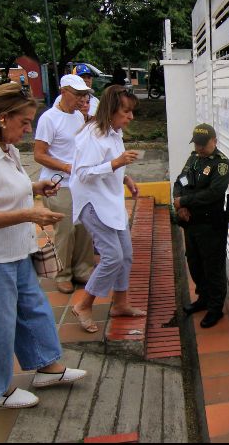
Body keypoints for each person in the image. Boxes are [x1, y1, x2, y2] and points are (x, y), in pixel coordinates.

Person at [0, 83, 87, 409]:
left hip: (15, 250)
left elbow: (4, 189)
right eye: (24, 122)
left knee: (33, 309)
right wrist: (28, 212)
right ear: (2, 118)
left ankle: (47, 367)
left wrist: (35, 186)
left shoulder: (5, 148)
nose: (29, 129)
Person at [69, 85, 145, 333]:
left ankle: (120, 304)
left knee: (126, 254)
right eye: (126, 111)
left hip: (110, 200)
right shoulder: (93, 135)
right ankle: (84, 304)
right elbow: (82, 173)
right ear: (111, 110)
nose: (130, 117)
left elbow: (110, 164)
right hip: (93, 202)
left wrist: (126, 178)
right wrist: (116, 163)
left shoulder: (114, 132)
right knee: (112, 256)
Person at [34, 74, 95, 294]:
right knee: (66, 229)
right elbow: (39, 154)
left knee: (85, 226)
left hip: (81, 182)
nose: (81, 99)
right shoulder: (49, 118)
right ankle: (63, 273)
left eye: (84, 95)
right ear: (64, 92)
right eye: (77, 94)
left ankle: (83, 268)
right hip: (60, 183)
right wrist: (66, 167)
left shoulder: (80, 116)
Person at [173, 123, 229, 328]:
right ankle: (203, 298)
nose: (199, 148)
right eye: (196, 144)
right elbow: (180, 181)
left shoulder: (221, 164)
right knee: (195, 264)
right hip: (190, 223)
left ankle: (216, 308)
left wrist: (185, 202)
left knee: (213, 266)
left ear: (214, 141)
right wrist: (178, 201)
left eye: (203, 144)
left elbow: (213, 194)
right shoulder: (194, 159)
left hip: (210, 225)